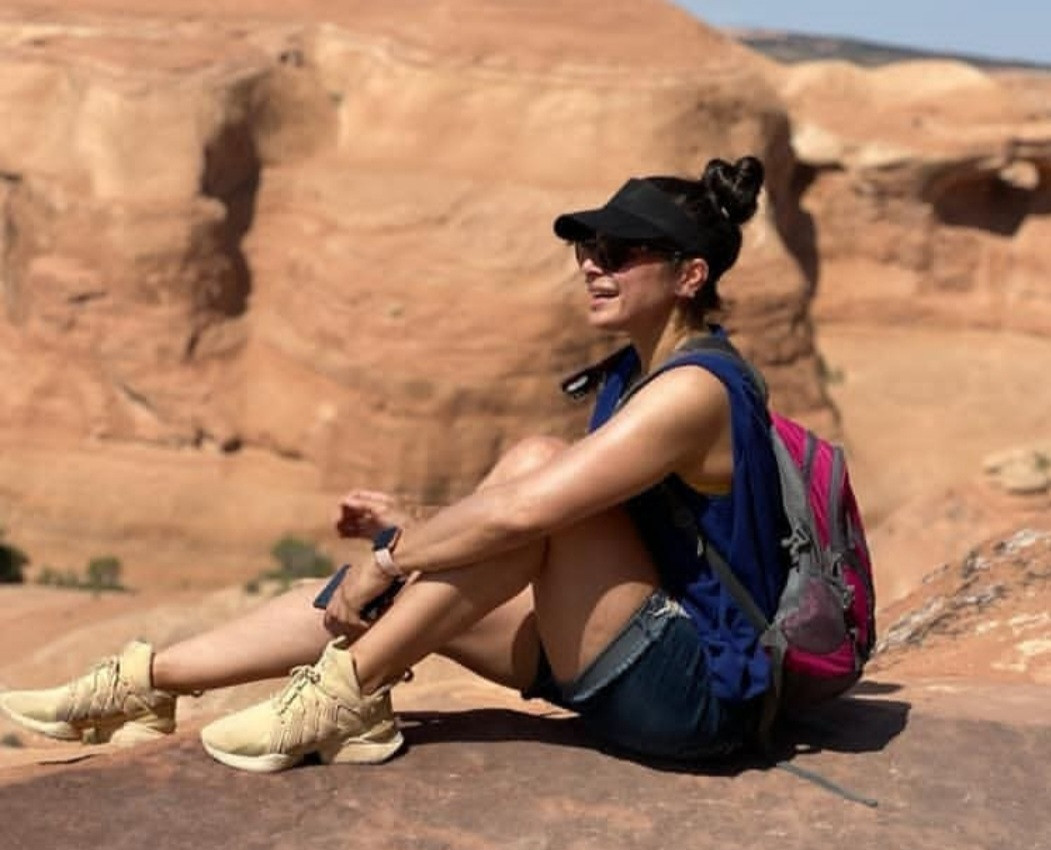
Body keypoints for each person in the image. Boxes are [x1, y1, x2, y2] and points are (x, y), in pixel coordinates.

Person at [0, 155, 789, 773]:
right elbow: (535, 528)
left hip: (696, 697)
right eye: (589, 248)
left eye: (617, 252)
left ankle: (348, 691)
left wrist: (390, 557)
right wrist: (409, 538)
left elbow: (526, 514)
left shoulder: (695, 391)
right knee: (413, 586)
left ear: (690, 275)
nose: (591, 265)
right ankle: (147, 683)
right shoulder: (636, 372)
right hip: (623, 647)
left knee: (526, 475)